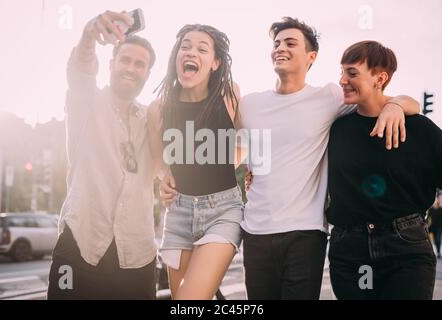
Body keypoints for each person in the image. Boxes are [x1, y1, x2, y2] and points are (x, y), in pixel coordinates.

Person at [162, 17, 420, 300]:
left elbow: (405, 102)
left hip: (305, 233)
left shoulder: (329, 97)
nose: (280, 48)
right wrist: (175, 174)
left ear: (312, 57)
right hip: (255, 231)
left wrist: (395, 105)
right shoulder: (250, 104)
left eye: (290, 42)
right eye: (276, 43)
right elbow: (229, 151)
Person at [47, 10, 157, 300]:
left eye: (140, 64)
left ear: (148, 73)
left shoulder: (152, 120)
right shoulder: (86, 101)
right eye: (125, 60)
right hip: (80, 248)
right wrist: (89, 35)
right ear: (111, 63)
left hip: (138, 258)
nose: (131, 68)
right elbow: (81, 68)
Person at [327, 40, 442, 300]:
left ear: (380, 78)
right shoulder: (337, 128)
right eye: (342, 72)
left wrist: (396, 105)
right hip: (350, 250)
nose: (343, 80)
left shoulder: (420, 129)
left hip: (406, 249)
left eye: (352, 73)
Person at [147, 24, 244, 300]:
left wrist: (231, 163)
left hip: (223, 211)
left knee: (190, 301)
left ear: (215, 63)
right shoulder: (159, 109)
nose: (191, 52)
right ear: (176, 56)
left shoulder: (230, 96)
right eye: (185, 46)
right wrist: (165, 178)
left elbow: (243, 144)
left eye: (202, 49)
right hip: (178, 215)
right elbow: (158, 163)